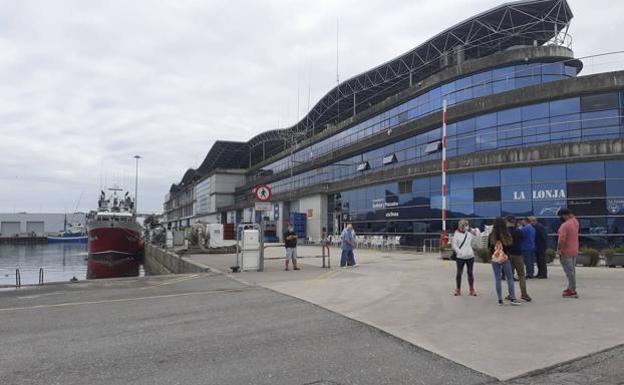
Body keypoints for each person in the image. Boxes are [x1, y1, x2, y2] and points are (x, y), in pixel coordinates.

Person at [488, 217, 520, 306]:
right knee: (509, 278)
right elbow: (510, 246)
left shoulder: (491, 235)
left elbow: (489, 247)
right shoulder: (506, 234)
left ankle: (500, 300)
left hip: (495, 259)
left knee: (497, 278)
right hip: (505, 258)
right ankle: (512, 298)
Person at [506, 216, 532, 302]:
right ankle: (524, 294)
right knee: (521, 275)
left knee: (510, 276)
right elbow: (522, 239)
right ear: (515, 222)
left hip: (508, 256)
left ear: (507, 221)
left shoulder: (505, 232)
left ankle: (511, 294)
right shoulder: (519, 231)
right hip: (518, 254)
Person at [451, 219, 478, 296]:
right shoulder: (456, 234)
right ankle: (458, 289)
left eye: (466, 225)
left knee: (470, 273)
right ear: (460, 225)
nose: (464, 227)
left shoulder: (469, 233)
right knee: (459, 273)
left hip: (470, 256)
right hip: (460, 257)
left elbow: (477, 234)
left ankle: (471, 289)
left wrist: (470, 229)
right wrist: (460, 252)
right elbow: (454, 245)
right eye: (463, 225)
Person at [557, 208, 580, 298]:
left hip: (566, 251)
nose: (560, 218)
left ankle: (572, 290)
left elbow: (562, 239)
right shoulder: (575, 222)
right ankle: (570, 287)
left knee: (569, 271)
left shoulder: (565, 225)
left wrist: (559, 249)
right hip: (574, 250)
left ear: (565, 215)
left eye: (561, 216)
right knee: (572, 270)